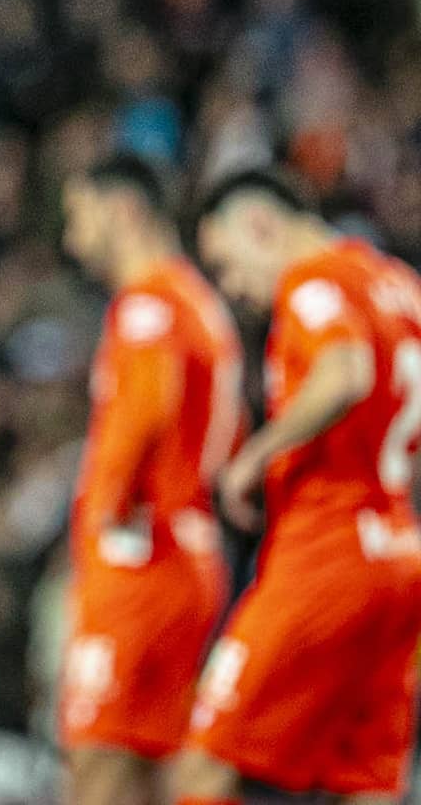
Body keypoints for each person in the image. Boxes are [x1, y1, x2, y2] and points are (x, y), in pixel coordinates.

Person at [173, 170, 421, 805]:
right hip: (397, 556)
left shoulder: (313, 282)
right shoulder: (398, 285)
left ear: (260, 225)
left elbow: (346, 373)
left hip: (325, 554)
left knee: (204, 766)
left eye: (227, 267)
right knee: (363, 782)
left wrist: (254, 458)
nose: (235, 290)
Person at [56, 155, 243, 805]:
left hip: (142, 563)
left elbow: (148, 407)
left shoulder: (150, 306)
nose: (70, 236)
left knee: (96, 764)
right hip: (189, 553)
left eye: (78, 215)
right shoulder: (199, 304)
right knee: (164, 773)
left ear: (123, 209)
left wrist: (106, 508)